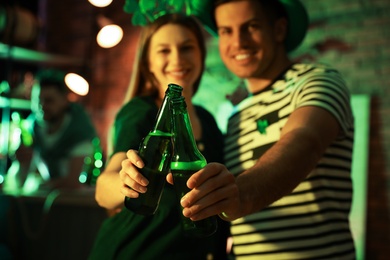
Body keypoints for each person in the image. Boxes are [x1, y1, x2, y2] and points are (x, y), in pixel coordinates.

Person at [124, 0, 356, 259]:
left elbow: (304, 143)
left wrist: (238, 195)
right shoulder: (234, 118)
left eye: (252, 26)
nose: (239, 42)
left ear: (279, 30)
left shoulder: (318, 81)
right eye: (226, 30)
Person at [89, 13, 230, 260]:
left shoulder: (208, 121)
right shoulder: (142, 113)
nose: (177, 59)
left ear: (201, 56)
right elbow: (103, 190)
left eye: (187, 48)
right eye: (164, 51)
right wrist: (125, 181)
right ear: (148, 63)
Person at [7, 69, 98, 191]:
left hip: (79, 202)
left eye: (49, 101)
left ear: (65, 100)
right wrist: (21, 163)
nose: (42, 106)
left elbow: (73, 183)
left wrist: (39, 186)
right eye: (38, 100)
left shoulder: (80, 130)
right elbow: (17, 183)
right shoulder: (31, 128)